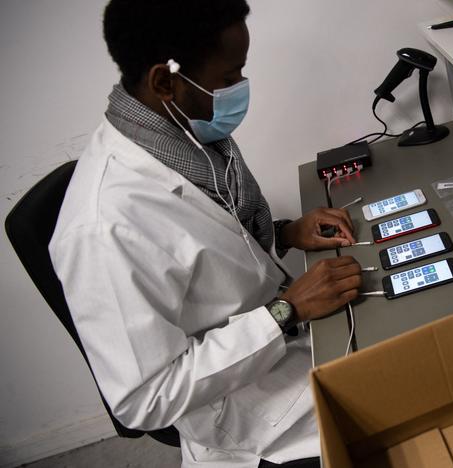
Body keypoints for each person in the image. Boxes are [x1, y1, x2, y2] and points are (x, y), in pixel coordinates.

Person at [48, 0, 363, 466]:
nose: (241, 87)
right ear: (164, 81)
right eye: (231, 75)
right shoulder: (103, 227)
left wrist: (285, 233)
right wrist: (287, 309)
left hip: (289, 340)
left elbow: (206, 248)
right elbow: (144, 400)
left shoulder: (183, 136)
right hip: (251, 410)